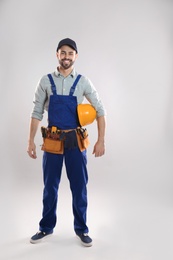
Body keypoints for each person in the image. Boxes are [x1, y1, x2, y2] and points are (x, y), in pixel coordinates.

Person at [27, 38, 106, 247]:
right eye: (63, 53)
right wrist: (30, 141)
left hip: (75, 141)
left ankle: (81, 229)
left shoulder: (83, 82)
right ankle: (45, 227)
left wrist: (101, 141)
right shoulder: (45, 81)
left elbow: (100, 110)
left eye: (70, 53)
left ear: (76, 56)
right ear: (57, 55)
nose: (66, 57)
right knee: (49, 187)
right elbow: (36, 113)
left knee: (79, 187)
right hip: (52, 140)